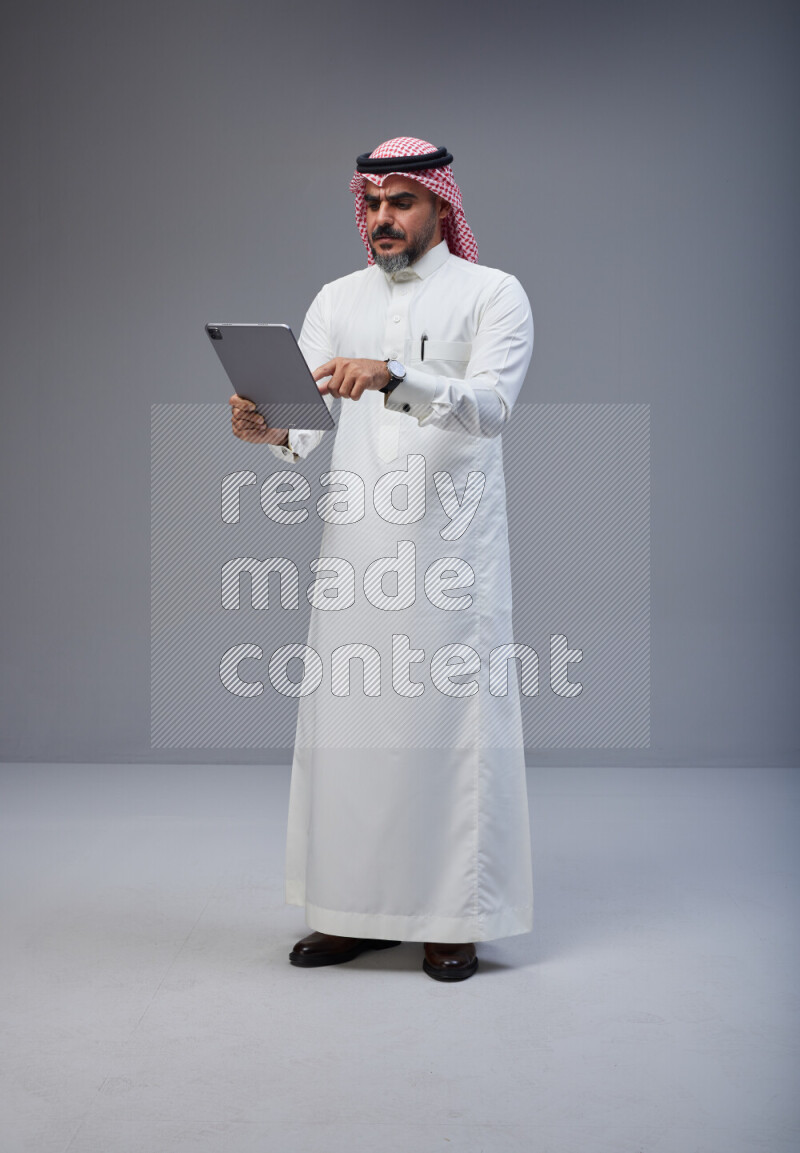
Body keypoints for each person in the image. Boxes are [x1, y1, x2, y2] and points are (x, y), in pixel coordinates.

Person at [229, 137, 534, 981]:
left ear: (443, 205)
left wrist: (397, 373)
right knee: (353, 735)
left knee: (443, 735)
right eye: (372, 203)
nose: (384, 218)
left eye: (402, 201)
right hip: (356, 549)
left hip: (449, 556)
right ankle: (350, 913)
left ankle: (451, 919)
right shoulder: (335, 299)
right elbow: (304, 421)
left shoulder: (492, 294)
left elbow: (491, 406)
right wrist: (268, 429)